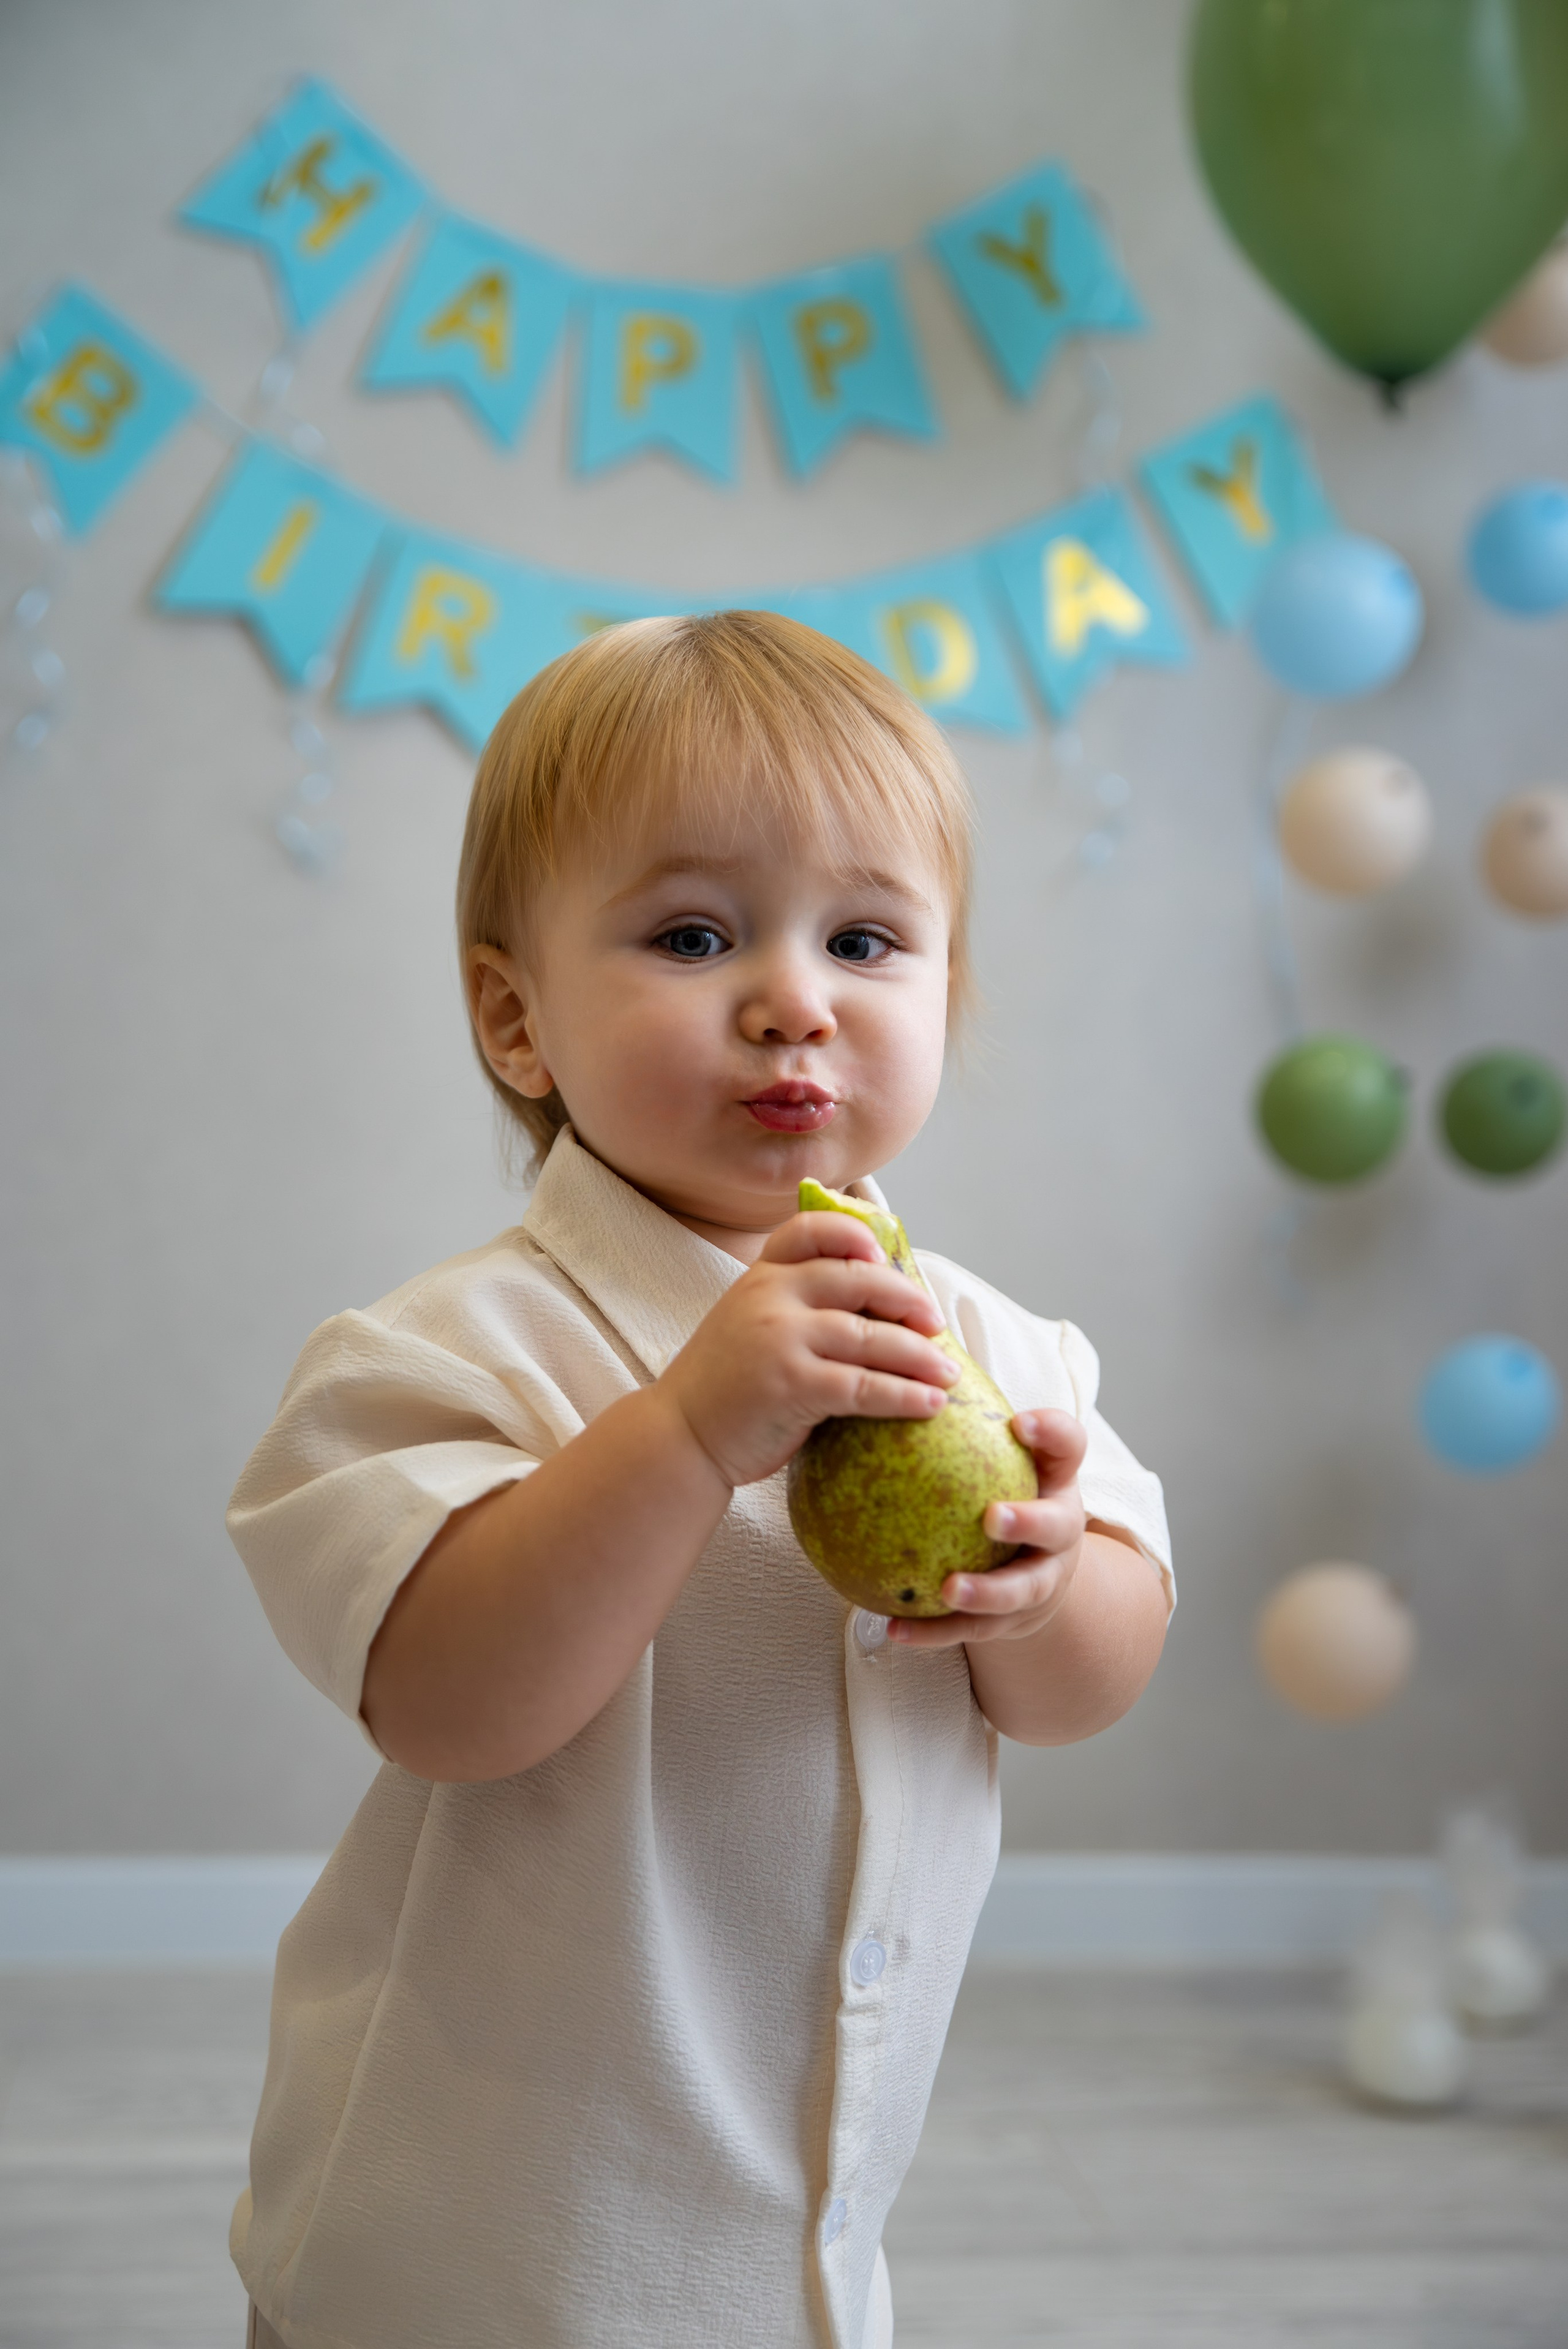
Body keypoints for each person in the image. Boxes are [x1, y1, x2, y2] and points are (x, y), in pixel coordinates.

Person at [227, 611, 1172, 2349]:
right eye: (692, 934)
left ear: (944, 994)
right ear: (517, 1018)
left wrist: (1042, 1584)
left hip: (799, 2266)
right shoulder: (442, 1359)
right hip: (469, 2265)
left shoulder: (997, 1354)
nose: (795, 998)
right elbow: (451, 1705)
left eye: (865, 939)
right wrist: (680, 1435)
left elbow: (1088, 1687)